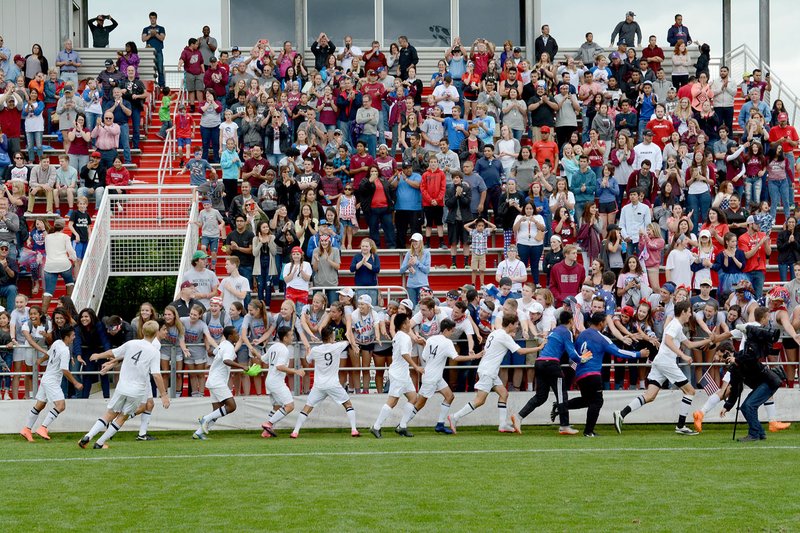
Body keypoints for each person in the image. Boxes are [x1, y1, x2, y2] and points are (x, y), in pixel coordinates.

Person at [613, 301, 713, 436]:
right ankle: (681, 426)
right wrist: (682, 355)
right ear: (683, 312)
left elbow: (689, 344)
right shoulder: (676, 325)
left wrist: (708, 340)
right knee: (690, 391)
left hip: (660, 361)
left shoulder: (677, 325)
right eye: (689, 311)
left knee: (650, 396)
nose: (690, 314)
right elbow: (667, 340)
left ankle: (621, 413)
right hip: (666, 362)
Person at [78, 321, 169, 449]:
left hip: (122, 387)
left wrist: (99, 355)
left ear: (142, 331)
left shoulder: (131, 343)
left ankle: (88, 436)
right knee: (122, 417)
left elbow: (113, 353)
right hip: (137, 390)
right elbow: (156, 374)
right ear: (155, 333)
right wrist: (164, 394)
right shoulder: (154, 351)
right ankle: (99, 443)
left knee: (109, 413)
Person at [447, 313, 537, 433]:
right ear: (510, 324)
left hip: (489, 370)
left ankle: (503, 425)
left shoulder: (495, 332)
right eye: (516, 324)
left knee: (504, 394)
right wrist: (539, 347)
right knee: (480, 400)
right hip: (488, 371)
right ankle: (455, 417)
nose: (517, 327)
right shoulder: (504, 336)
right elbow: (520, 351)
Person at [568, 313, 649, 437]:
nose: (605, 325)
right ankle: (588, 431)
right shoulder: (602, 338)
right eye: (605, 323)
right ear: (601, 323)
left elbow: (572, 356)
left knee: (587, 400)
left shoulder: (581, 335)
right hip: (593, 374)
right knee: (597, 401)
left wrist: (576, 370)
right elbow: (619, 352)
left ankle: (561, 406)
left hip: (580, 375)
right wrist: (639, 354)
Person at [398, 319, 483, 434]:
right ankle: (402, 425)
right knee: (419, 403)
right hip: (432, 378)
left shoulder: (431, 339)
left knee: (450, 396)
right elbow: (456, 358)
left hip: (434, 376)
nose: (452, 333)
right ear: (446, 330)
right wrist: (475, 356)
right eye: (451, 331)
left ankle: (440, 424)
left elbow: (424, 357)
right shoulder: (447, 342)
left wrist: (424, 344)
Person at [511, 311, 582, 435]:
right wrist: (582, 359)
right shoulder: (567, 332)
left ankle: (519, 416)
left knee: (541, 396)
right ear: (571, 321)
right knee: (561, 395)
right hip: (552, 364)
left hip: (539, 363)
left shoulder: (553, 331)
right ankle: (564, 426)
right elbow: (572, 354)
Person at [721, 315, 785, 442]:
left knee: (749, 406)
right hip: (763, 384)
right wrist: (727, 406)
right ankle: (760, 433)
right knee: (746, 407)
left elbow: (752, 358)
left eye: (722, 356)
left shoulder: (743, 356)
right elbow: (736, 389)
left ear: (729, 353)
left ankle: (754, 434)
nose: (722, 360)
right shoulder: (734, 368)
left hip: (768, 382)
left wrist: (737, 359)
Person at [289, 326, 360, 438]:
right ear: (331, 336)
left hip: (319, 385)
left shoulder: (315, 350)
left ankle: (295, 431)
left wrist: (308, 350)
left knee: (307, 407)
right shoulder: (337, 346)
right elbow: (348, 341)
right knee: (348, 404)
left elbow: (308, 360)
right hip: (333, 384)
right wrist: (353, 344)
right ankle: (354, 430)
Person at [18, 326, 82, 441]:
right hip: (52, 381)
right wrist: (76, 382)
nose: (74, 337)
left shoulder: (57, 343)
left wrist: (41, 360)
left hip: (46, 378)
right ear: (67, 337)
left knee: (40, 405)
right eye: (73, 335)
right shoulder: (65, 350)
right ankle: (43, 428)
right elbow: (64, 370)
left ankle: (26, 429)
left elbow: (49, 354)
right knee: (61, 406)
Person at [370, 313, 424, 438]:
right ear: (404, 324)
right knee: (392, 401)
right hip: (399, 374)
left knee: (413, 397)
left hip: (402, 373)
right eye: (408, 321)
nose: (410, 323)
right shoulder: (404, 337)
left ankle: (402, 426)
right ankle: (376, 426)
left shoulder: (400, 335)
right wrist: (416, 367)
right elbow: (405, 354)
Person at [192, 326, 250, 440]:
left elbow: (211, 353)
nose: (238, 335)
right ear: (230, 336)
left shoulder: (223, 344)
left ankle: (198, 433)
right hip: (218, 381)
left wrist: (213, 352)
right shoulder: (228, 347)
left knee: (217, 411)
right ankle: (205, 418)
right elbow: (226, 360)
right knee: (232, 406)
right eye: (236, 333)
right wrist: (242, 366)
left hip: (213, 380)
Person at [259, 327, 306, 437]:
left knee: (277, 407)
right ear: (285, 338)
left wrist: (253, 351)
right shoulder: (284, 350)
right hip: (277, 382)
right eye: (291, 335)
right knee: (290, 406)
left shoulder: (274, 346)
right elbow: (279, 366)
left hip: (270, 380)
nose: (293, 337)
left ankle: (266, 432)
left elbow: (263, 359)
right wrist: (296, 371)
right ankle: (268, 424)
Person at [141, 11, 166, 88]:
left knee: (160, 68)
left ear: (156, 18)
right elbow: (143, 39)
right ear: (149, 19)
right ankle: (152, 85)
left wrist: (155, 34)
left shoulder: (161, 28)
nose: (152, 19)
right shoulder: (146, 29)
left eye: (154, 18)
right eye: (151, 18)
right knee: (150, 69)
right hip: (149, 52)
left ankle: (161, 85)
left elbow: (162, 38)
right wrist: (150, 35)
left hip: (158, 51)